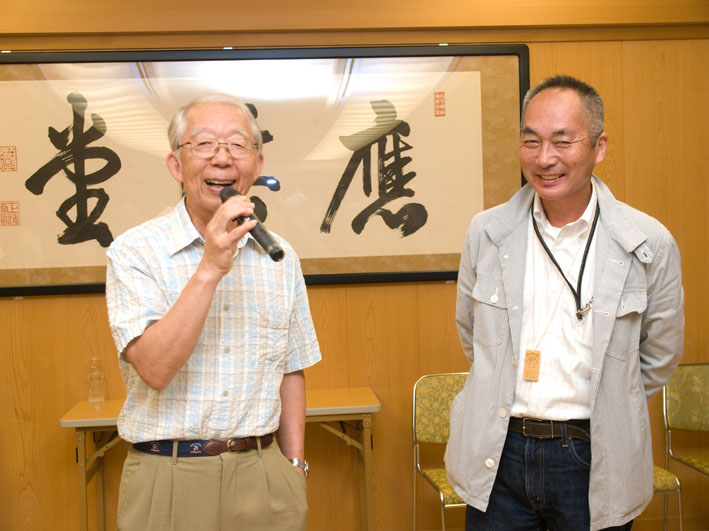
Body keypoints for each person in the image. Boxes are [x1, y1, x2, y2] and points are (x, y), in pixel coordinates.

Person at [445, 75, 684, 530]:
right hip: (501, 450)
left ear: (599, 146)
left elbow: (660, 354)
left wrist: (613, 396)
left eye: (562, 141)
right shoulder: (488, 233)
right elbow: (472, 333)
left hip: (592, 452)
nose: (545, 159)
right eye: (530, 141)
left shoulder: (647, 242)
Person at [105, 94, 321, 531]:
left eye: (238, 145)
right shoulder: (135, 251)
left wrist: (294, 464)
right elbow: (154, 368)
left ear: (256, 166)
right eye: (203, 144)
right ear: (175, 165)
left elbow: (292, 368)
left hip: (264, 474)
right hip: (167, 475)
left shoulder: (280, 256)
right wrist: (209, 267)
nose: (222, 159)